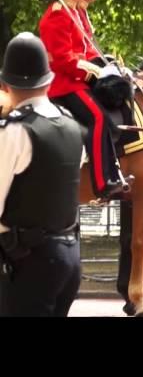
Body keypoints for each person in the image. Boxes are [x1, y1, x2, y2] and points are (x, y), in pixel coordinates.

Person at [0, 32, 84, 317]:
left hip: (27, 260)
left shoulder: (14, 131)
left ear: (5, 84)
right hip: (69, 256)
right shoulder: (71, 125)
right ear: (48, 81)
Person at [38, 0, 124, 199]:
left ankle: (114, 169)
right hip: (63, 85)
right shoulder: (56, 15)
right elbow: (64, 60)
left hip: (78, 80)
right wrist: (96, 73)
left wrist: (107, 65)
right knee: (98, 117)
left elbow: (88, 50)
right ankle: (102, 181)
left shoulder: (75, 13)